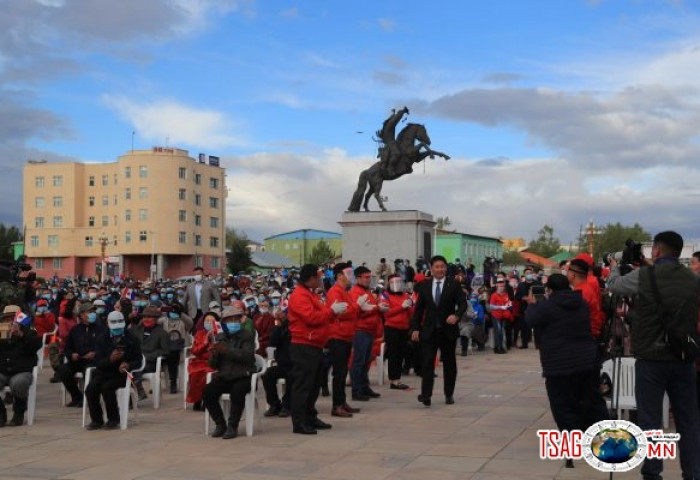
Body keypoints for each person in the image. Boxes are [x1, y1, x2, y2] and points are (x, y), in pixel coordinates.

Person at [608, 231, 700, 480]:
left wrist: (615, 267)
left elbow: (613, 286)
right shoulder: (692, 278)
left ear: (656, 251)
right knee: (688, 421)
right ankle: (693, 473)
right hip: (684, 358)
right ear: (681, 253)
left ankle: (653, 473)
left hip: (651, 359)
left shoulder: (644, 276)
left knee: (650, 421)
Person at [525, 273, 609, 468]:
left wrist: (532, 303)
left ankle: (571, 447)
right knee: (591, 400)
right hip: (586, 361)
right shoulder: (580, 303)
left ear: (550, 290)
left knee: (563, 405)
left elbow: (530, 320)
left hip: (559, 365)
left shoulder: (546, 306)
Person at [287, 264, 347, 434]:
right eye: (318, 277)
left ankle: (310, 416)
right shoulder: (300, 295)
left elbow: (320, 315)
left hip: (314, 343)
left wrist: (332, 312)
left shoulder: (308, 294)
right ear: (311, 279)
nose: (321, 280)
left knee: (313, 384)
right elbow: (311, 318)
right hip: (304, 344)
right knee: (304, 384)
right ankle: (299, 422)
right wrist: (331, 312)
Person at [410, 255, 467, 406]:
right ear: (431, 268)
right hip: (429, 331)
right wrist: (415, 328)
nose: (440, 269)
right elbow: (418, 310)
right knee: (427, 363)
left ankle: (449, 394)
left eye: (442, 266)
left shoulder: (453, 284)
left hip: (447, 331)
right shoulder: (424, 285)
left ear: (445, 268)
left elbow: (463, 304)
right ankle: (426, 395)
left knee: (449, 364)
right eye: (437, 267)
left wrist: (456, 316)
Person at [203, 304, 256, 439]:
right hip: (225, 375)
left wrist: (227, 350)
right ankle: (220, 424)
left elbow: (247, 356)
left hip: (242, 375)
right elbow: (213, 365)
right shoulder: (220, 337)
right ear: (224, 323)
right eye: (229, 320)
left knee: (237, 392)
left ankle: (233, 426)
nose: (233, 323)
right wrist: (214, 354)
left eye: (236, 320)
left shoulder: (247, 336)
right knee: (207, 392)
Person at [85, 311, 142, 430]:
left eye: (119, 328)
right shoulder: (102, 339)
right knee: (91, 389)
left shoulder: (132, 339)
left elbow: (138, 360)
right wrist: (110, 359)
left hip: (121, 375)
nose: (117, 331)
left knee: (107, 388)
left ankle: (113, 419)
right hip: (104, 372)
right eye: (115, 328)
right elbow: (98, 362)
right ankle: (97, 420)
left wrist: (128, 365)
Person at [325, 263, 361, 417]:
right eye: (348, 273)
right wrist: (356, 308)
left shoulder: (343, 291)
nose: (351, 277)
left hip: (345, 335)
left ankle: (342, 402)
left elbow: (349, 309)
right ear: (339, 276)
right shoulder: (335, 291)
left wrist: (355, 308)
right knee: (339, 372)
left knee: (343, 370)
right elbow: (342, 312)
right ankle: (337, 405)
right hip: (337, 335)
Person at [57, 303, 106, 407]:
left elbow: (105, 347)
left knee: (88, 371)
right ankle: (77, 397)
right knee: (63, 370)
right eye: (89, 312)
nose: (93, 314)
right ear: (82, 315)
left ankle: (90, 398)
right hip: (79, 360)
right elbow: (67, 347)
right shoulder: (75, 330)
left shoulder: (101, 329)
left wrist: (95, 353)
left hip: (94, 361)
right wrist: (72, 354)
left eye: (93, 312)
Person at [0, 311, 41, 426]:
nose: (9, 322)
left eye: (12, 319)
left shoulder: (30, 333)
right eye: (6, 319)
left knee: (19, 383)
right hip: (3, 370)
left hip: (21, 370)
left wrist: (21, 335)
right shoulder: (2, 331)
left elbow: (36, 345)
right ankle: (1, 414)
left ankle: (19, 412)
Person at [349, 266, 384, 402]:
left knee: (365, 361)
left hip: (370, 331)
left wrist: (378, 307)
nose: (369, 279)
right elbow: (358, 310)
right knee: (358, 361)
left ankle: (364, 387)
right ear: (358, 278)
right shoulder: (355, 292)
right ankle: (356, 390)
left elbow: (371, 307)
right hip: (360, 330)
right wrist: (376, 308)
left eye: (370, 277)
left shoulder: (367, 291)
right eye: (366, 277)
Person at [130, 305, 170, 400]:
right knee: (126, 368)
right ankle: (131, 396)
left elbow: (165, 351)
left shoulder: (162, 333)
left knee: (135, 367)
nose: (146, 319)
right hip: (137, 359)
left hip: (151, 362)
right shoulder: (136, 330)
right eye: (144, 317)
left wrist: (150, 356)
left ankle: (138, 391)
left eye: (149, 317)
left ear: (156, 319)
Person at [383, 274, 413, 389]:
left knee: (401, 354)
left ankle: (398, 378)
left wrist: (410, 307)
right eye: (393, 282)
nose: (397, 285)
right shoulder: (385, 295)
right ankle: (393, 380)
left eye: (399, 282)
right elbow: (387, 313)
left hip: (404, 328)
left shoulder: (405, 295)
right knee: (393, 354)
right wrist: (401, 307)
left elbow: (411, 313)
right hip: (392, 328)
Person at [186, 312, 219, 411]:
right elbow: (195, 351)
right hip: (200, 361)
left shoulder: (220, 334)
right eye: (206, 321)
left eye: (211, 320)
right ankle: (197, 399)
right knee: (195, 374)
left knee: (207, 374)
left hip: (213, 362)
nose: (209, 322)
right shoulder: (200, 333)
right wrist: (205, 343)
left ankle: (206, 399)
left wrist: (213, 341)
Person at [566, 259, 605, 341]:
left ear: (573, 274)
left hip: (586, 336)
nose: (566, 273)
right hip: (588, 333)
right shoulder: (584, 288)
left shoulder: (581, 293)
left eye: (568, 271)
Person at [262, 313, 292, 418]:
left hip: (295, 364)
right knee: (267, 375)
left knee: (292, 376)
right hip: (282, 364)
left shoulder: (294, 327)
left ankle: (287, 405)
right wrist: (278, 326)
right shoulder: (279, 329)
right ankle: (274, 404)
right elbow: (273, 343)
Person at [161, 303, 193, 394]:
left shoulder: (183, 321)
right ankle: (171, 382)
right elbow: (154, 321)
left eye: (174, 310)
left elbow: (190, 323)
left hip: (181, 347)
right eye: (171, 310)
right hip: (168, 348)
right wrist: (160, 310)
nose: (173, 312)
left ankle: (175, 382)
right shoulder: (164, 320)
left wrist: (180, 312)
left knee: (173, 355)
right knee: (170, 355)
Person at [489, 278, 512, 354]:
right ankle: (497, 347)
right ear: (497, 287)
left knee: (501, 332)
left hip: (503, 315)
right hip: (496, 315)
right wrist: (500, 307)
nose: (502, 288)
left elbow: (508, 302)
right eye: (500, 286)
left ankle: (500, 347)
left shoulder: (506, 294)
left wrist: (509, 305)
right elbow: (491, 306)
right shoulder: (494, 295)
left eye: (503, 287)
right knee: (498, 331)